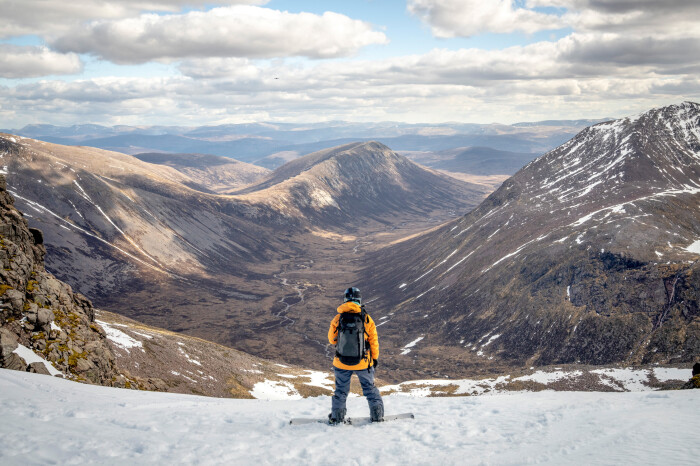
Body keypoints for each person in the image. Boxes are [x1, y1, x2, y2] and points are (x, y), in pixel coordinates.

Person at [327, 286, 384, 424]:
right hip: (363, 362)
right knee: (370, 389)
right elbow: (374, 341)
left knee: (341, 391)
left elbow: (332, 339)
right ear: (359, 300)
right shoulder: (366, 319)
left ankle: (337, 417)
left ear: (345, 299)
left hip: (341, 362)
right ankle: (377, 416)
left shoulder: (338, 318)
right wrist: (374, 358)